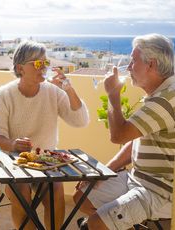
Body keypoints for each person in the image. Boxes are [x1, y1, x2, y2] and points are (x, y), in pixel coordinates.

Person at [73, 33, 175, 230]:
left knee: (94, 224)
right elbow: (136, 138)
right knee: (82, 195)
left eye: (133, 60)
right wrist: (105, 171)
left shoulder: (166, 100)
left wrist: (113, 95)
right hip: (137, 178)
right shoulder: (158, 95)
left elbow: (119, 135)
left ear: (151, 64)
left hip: (158, 190)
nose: (128, 67)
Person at [0, 40, 89, 229]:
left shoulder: (53, 92)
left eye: (45, 63)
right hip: (11, 163)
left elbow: (80, 121)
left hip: (45, 161)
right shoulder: (4, 95)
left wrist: (68, 88)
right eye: (37, 63)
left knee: (55, 191)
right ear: (20, 68)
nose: (43, 67)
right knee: (21, 191)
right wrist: (13, 144)